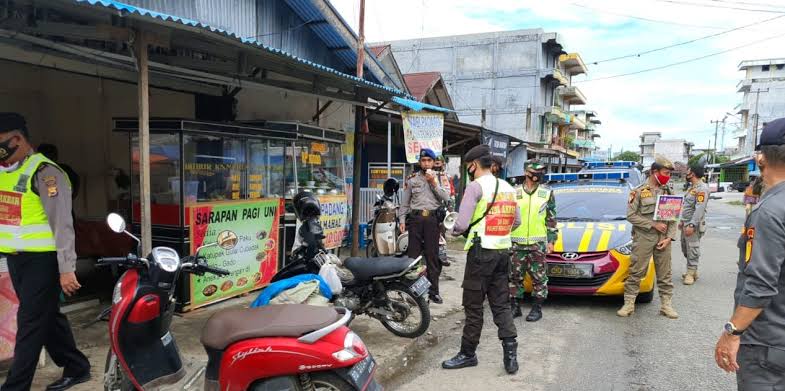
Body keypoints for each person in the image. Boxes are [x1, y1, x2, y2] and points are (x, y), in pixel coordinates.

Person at [0, 113, 90, 391]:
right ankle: (77, 367)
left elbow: (62, 223)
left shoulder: (46, 173)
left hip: (42, 261)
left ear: (17, 139)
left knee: (29, 321)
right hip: (16, 259)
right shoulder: (5, 171)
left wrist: (66, 268)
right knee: (47, 316)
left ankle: (15, 386)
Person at [715, 118, 785, 389]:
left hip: (769, 344)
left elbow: (761, 284)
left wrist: (732, 332)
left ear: (761, 158)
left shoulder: (769, 211)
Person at [442, 144, 521, 374]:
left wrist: (452, 229)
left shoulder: (475, 187)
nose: (469, 170)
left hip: (480, 255)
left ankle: (468, 353)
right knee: (500, 304)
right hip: (503, 252)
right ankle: (510, 355)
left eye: (469, 166)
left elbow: (461, 225)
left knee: (474, 306)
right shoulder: (507, 187)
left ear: (474, 165)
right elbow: (516, 222)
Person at [617, 155, 679, 319]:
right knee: (636, 271)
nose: (668, 176)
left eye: (669, 174)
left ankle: (666, 305)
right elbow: (631, 215)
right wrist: (652, 224)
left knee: (665, 274)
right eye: (665, 172)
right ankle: (629, 304)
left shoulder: (669, 192)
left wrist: (669, 238)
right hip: (644, 237)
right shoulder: (638, 191)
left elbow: (673, 219)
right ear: (654, 172)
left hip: (663, 239)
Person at [399, 148, 451, 304]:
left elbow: (446, 197)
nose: (426, 163)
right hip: (415, 220)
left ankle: (433, 292)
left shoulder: (441, 178)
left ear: (434, 162)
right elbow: (405, 203)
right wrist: (402, 220)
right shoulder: (412, 179)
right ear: (420, 162)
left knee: (432, 257)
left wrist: (434, 183)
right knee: (413, 258)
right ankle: (415, 293)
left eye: (429, 160)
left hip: (432, 221)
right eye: (423, 160)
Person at [509, 159, 557, 322]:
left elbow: (551, 219)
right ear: (526, 172)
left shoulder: (547, 193)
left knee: (539, 277)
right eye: (535, 171)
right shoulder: (513, 193)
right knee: (515, 276)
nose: (539, 174)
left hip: (538, 244)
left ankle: (537, 308)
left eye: (541, 171)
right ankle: (515, 307)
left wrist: (551, 241)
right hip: (516, 242)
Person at [679, 158, 710, 285]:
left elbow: (699, 209)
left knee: (692, 249)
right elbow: (687, 207)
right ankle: (693, 270)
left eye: (688, 171)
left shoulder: (702, 188)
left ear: (693, 173)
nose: (686, 173)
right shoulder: (692, 188)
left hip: (694, 225)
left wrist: (692, 224)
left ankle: (690, 273)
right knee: (685, 249)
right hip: (685, 223)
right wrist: (682, 221)